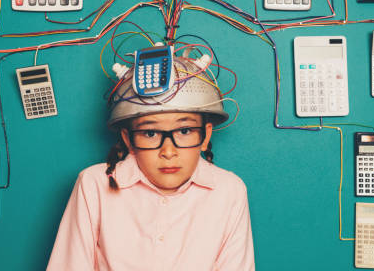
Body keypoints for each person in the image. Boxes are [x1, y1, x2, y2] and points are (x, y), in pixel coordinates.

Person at [46, 50, 255, 270]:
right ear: (128, 139)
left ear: (205, 136)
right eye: (150, 133)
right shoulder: (94, 184)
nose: (168, 151)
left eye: (184, 130)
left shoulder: (229, 190)